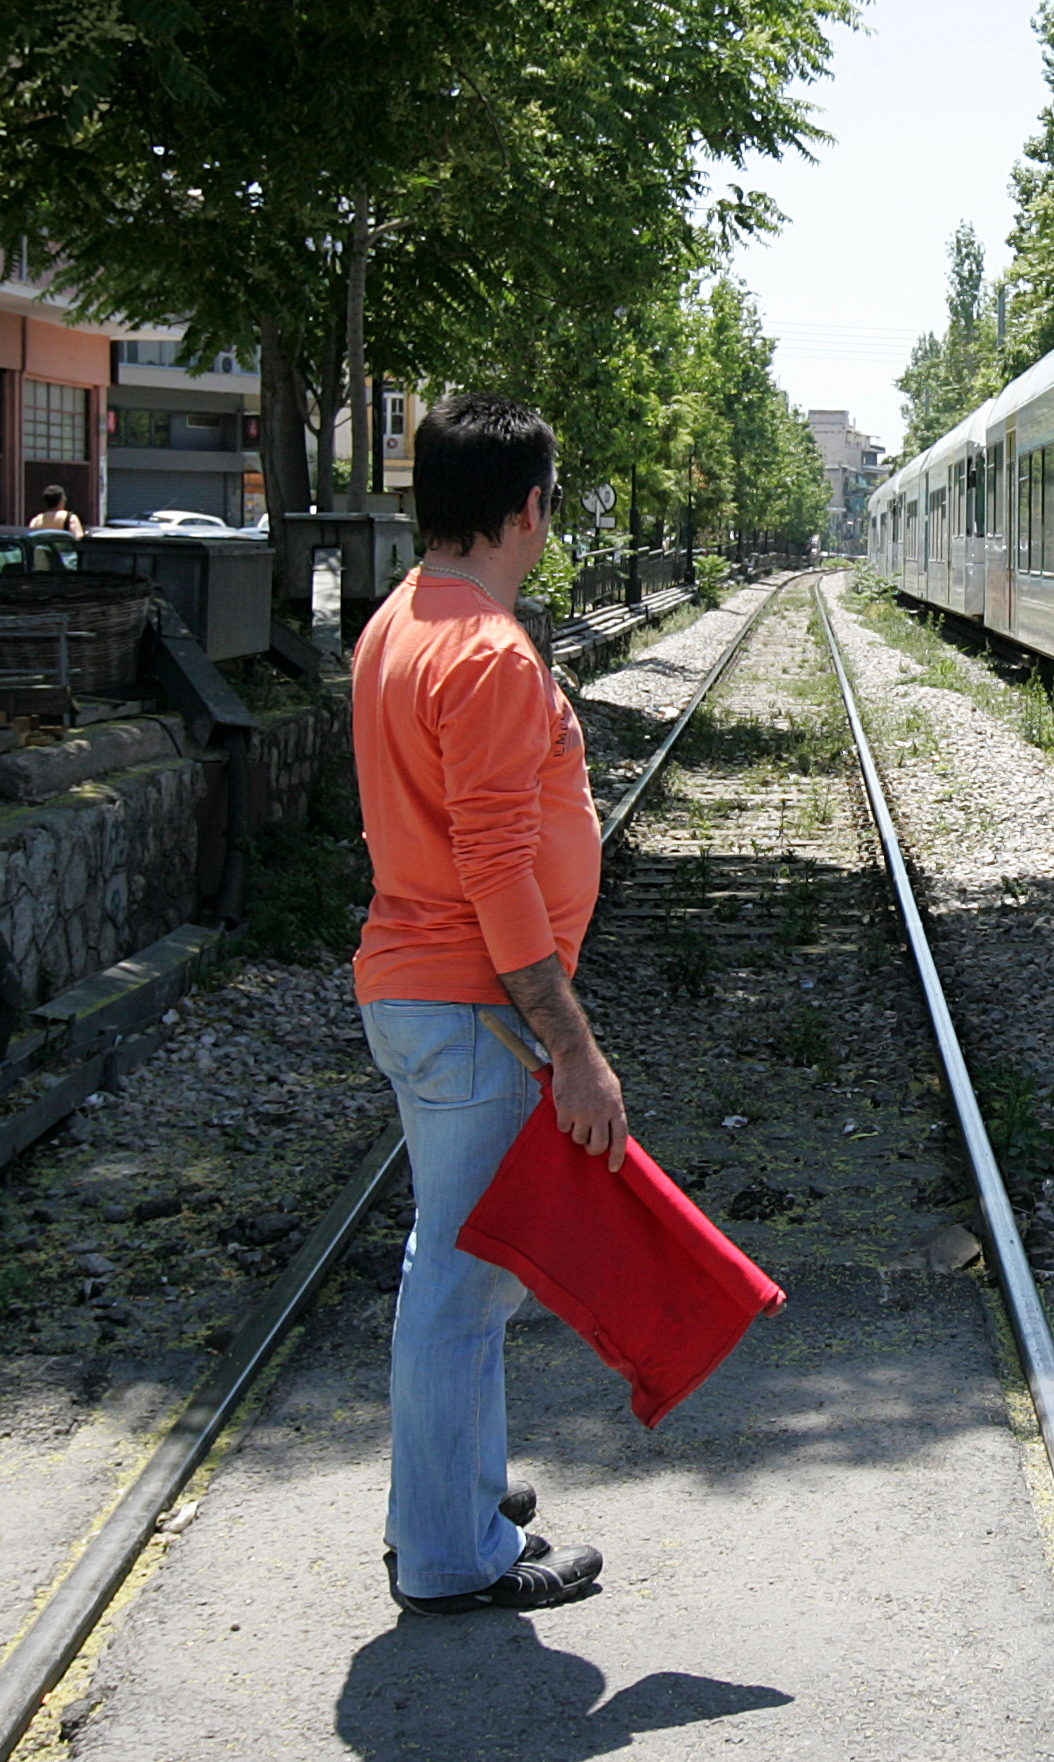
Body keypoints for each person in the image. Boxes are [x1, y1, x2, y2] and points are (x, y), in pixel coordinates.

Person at [352, 392, 624, 1615]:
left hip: (421, 991)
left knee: (457, 1266)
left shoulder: (398, 624)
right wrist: (574, 1046)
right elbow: (497, 866)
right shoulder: (489, 651)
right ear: (529, 508)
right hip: (471, 1004)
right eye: (552, 500)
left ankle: (455, 1493)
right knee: (461, 1286)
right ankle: (454, 1553)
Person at [27, 483, 83, 569]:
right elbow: (80, 540)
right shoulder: (70, 518)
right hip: (66, 566)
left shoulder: (36, 520)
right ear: (61, 500)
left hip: (41, 566)